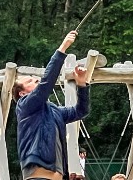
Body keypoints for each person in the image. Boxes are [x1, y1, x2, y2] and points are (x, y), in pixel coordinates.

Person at [13, 30, 90, 180]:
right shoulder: (24, 106)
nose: (35, 80)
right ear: (22, 94)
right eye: (29, 81)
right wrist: (62, 48)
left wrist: (82, 84)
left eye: (35, 78)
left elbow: (81, 110)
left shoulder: (54, 111)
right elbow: (46, 84)